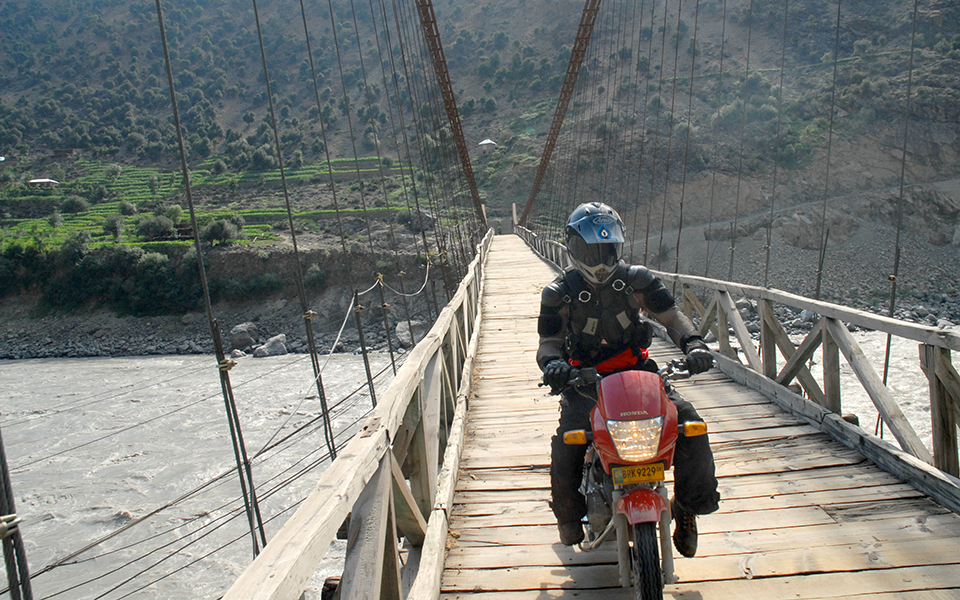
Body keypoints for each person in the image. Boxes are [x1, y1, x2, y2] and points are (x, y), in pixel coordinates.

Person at [537, 202, 720, 555]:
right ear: (573, 247)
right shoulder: (558, 292)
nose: (601, 260)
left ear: (619, 246)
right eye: (592, 250)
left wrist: (694, 344)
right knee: (568, 442)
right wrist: (554, 366)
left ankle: (688, 508)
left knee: (689, 424)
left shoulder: (637, 280)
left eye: (608, 250)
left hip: (637, 373)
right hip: (584, 380)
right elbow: (548, 343)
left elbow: (671, 317)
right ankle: (569, 516)